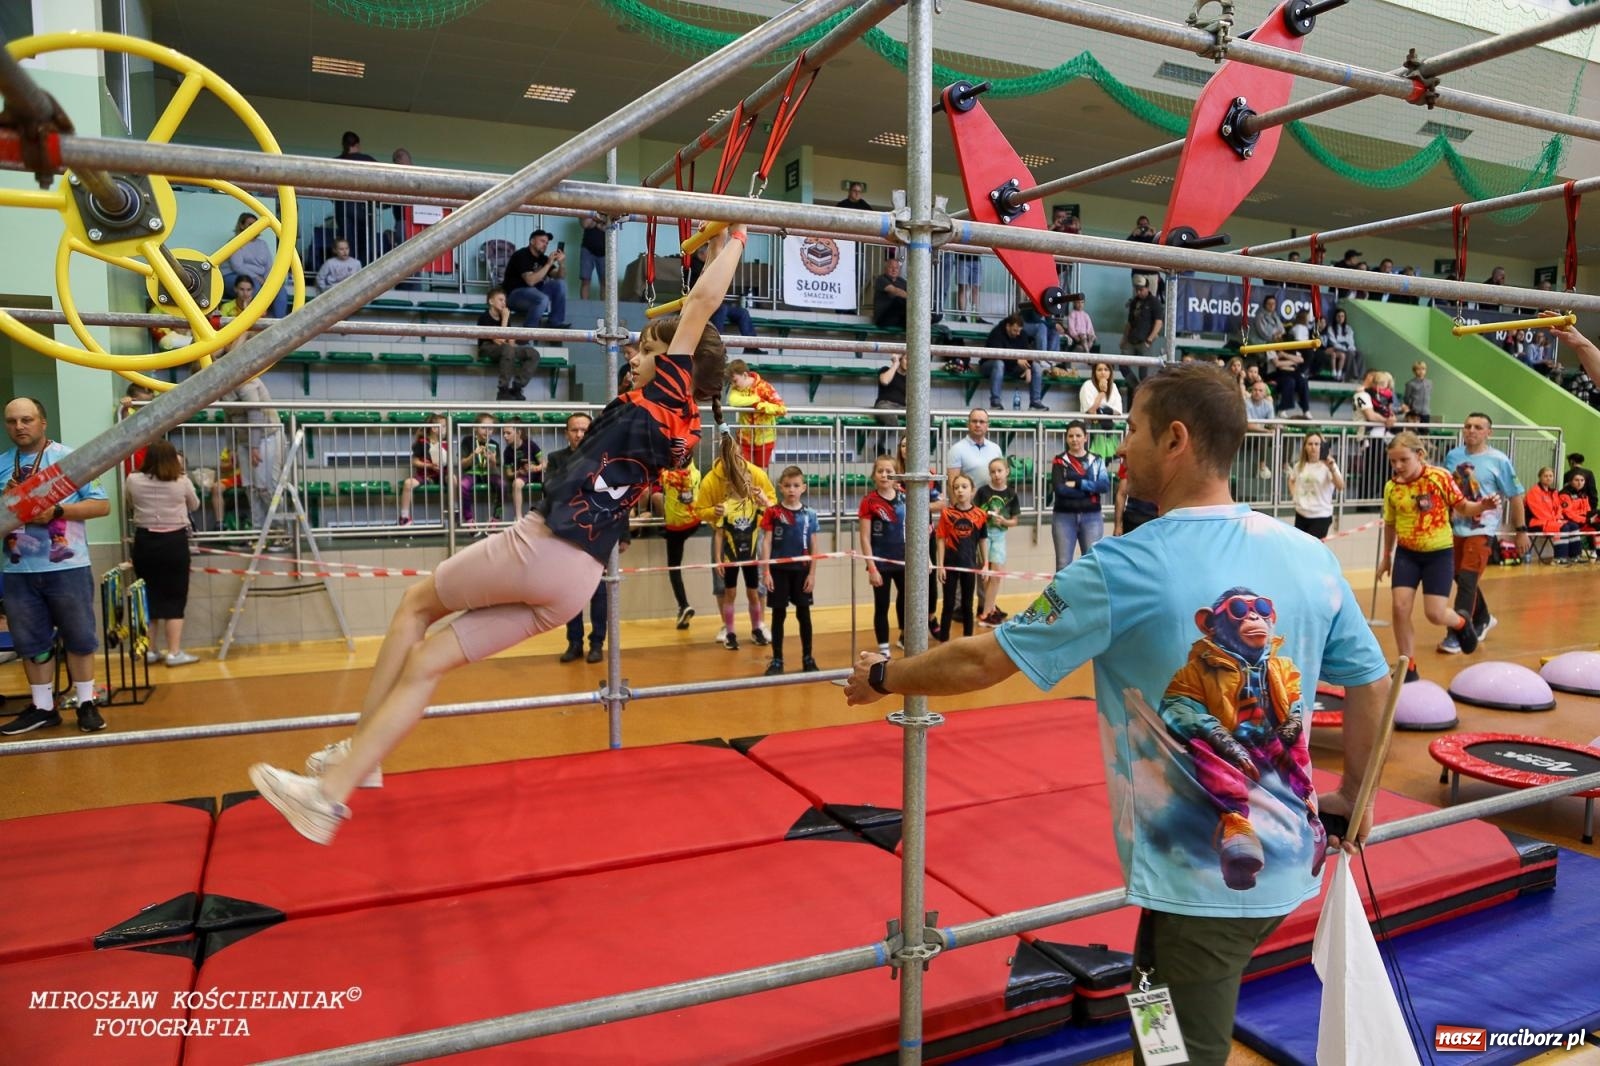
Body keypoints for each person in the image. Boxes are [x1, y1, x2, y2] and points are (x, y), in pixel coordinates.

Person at [844, 363, 1393, 1066]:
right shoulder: (1308, 556)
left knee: (1178, 1051)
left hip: (1214, 885)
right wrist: (1358, 795)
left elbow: (985, 660)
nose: (1120, 446)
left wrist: (885, 675)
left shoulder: (1125, 567)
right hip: (1270, 867)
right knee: (1153, 1004)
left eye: (1130, 428)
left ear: (1175, 439)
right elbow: (1372, 680)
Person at [248, 223, 750, 844]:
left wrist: (734, 243)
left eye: (645, 352)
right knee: (430, 660)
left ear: (676, 366)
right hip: (579, 576)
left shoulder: (667, 393)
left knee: (414, 608)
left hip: (540, 546)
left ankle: (361, 758)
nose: (633, 357)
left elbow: (701, 305)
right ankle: (339, 784)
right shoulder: (687, 429)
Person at [0, 398, 112, 736]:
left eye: (26, 419)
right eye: (12, 421)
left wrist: (57, 512)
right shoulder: (3, 464)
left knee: (79, 637)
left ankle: (85, 703)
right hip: (17, 570)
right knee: (31, 643)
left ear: (42, 422)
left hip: (67, 567)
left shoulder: (68, 459)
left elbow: (102, 505)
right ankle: (43, 708)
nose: (19, 426)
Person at [1376, 432, 1495, 680]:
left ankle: (1462, 622)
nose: (1397, 466)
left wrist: (1482, 506)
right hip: (1407, 554)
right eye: (1393, 461)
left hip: (1438, 554)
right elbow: (1390, 523)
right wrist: (1387, 556)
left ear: (1419, 455)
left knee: (1435, 614)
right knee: (1399, 607)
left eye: (1403, 460)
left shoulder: (1439, 477)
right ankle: (1407, 665)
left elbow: (1463, 507)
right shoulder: (1392, 487)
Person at [1438, 414, 1528, 654]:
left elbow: (1516, 495)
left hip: (1482, 530)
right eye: (1467, 426)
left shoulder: (1499, 460)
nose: (1471, 430)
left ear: (1489, 432)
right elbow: (1447, 490)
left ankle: (1457, 635)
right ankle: (1484, 618)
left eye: (1478, 427)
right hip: (1455, 528)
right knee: (1460, 577)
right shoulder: (1453, 456)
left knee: (1467, 581)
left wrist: (1521, 531)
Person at [125, 440, 201, 666]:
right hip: (174, 543)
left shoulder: (132, 480)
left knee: (147, 597)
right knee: (175, 597)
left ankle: (149, 650)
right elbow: (194, 505)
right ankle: (174, 652)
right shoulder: (182, 481)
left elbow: (130, 503)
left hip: (145, 542)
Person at [695, 449, 775, 651]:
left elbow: (773, 507)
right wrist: (714, 511)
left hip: (752, 543)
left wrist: (764, 500)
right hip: (727, 548)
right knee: (724, 587)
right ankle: (727, 628)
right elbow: (700, 512)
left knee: (756, 588)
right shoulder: (710, 481)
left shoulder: (757, 474)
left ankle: (759, 625)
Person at [759, 466, 820, 675]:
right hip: (778, 571)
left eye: (796, 485)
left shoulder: (810, 514)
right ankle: (777, 660)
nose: (791, 490)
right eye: (787, 486)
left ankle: (808, 658)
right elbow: (766, 543)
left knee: (804, 615)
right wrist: (766, 571)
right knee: (778, 615)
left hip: (801, 571)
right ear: (780, 488)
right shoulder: (772, 512)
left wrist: (812, 573)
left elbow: (814, 545)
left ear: (803, 487)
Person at [860, 455, 907, 658]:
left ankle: (906, 636)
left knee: (906, 601)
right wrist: (871, 567)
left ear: (896, 475)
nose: (885, 475)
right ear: (874, 475)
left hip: (904, 560)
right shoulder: (869, 501)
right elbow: (864, 537)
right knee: (882, 604)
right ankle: (884, 648)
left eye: (889, 471)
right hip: (881, 562)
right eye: (880, 471)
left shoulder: (906, 497)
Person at [1050, 420, 1109, 571]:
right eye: (1070, 436)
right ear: (1066, 438)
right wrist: (1090, 489)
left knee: (1091, 564)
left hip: (1092, 518)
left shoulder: (1097, 460)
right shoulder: (1059, 460)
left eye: (1078, 435)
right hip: (1064, 517)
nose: (1074, 439)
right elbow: (1060, 490)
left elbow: (1104, 486)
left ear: (1086, 437)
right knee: (1063, 564)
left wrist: (1078, 484)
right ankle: (1063, 596)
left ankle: (1088, 595)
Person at [935, 474, 987, 641]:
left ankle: (968, 642)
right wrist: (940, 565)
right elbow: (941, 539)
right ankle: (944, 641)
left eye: (964, 487)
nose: (960, 490)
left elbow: (982, 540)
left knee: (967, 605)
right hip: (950, 565)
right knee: (948, 605)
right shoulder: (947, 514)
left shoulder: (980, 514)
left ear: (972, 491)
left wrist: (985, 564)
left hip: (970, 565)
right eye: (956, 487)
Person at [975, 456, 1019, 627]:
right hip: (984, 536)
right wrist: (985, 516)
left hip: (999, 536)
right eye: (992, 472)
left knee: (997, 574)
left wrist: (1004, 521)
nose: (996, 475)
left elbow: (1014, 520)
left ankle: (987, 612)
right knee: (986, 576)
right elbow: (975, 514)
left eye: (999, 471)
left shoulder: (1011, 494)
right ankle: (988, 611)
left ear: (1007, 472)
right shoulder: (983, 492)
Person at [660, 457, 702, 629]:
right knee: (668, 536)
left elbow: (656, 470)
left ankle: (683, 605)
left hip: (678, 527)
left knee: (674, 567)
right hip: (695, 522)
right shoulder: (696, 473)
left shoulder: (669, 477)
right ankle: (682, 611)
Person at [502, 229, 569, 330]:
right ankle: (527, 334)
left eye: (547, 243)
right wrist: (548, 264)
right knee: (542, 298)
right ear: (532, 241)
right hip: (515, 295)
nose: (545, 245)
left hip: (536, 294)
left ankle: (555, 323)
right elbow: (530, 281)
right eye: (542, 241)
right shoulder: (521, 255)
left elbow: (559, 276)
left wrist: (561, 264)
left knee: (560, 284)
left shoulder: (544, 259)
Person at [725, 360, 787, 469]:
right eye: (731, 382)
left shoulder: (765, 387)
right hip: (744, 439)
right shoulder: (736, 389)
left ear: (744, 375)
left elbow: (781, 409)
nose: (733, 385)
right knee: (743, 471)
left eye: (735, 381)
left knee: (761, 473)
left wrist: (762, 406)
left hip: (765, 438)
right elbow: (733, 401)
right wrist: (756, 401)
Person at [478, 288, 537, 402]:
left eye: (504, 301)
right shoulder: (484, 318)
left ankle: (517, 387)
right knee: (507, 349)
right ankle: (503, 389)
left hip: (505, 349)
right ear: (491, 302)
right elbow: (499, 340)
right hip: (487, 348)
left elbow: (510, 341)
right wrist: (505, 319)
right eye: (500, 300)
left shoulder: (505, 318)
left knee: (532, 353)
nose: (503, 303)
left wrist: (514, 341)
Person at [1286, 432, 1344, 540]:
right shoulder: (1299, 465)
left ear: (1321, 446)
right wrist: (1294, 496)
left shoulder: (1328, 465)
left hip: (1320, 515)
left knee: (1311, 550)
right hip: (1301, 514)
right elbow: (1291, 480)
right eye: (1310, 444)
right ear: (1305, 447)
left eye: (1317, 444)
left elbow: (1340, 486)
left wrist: (1332, 468)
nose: (1313, 447)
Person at [982, 315, 1045, 411]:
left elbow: (1027, 352)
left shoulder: (1022, 334)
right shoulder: (996, 333)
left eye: (1019, 330)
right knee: (999, 364)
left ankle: (1035, 402)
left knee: (1036, 367)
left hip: (1012, 367)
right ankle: (995, 403)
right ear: (1008, 326)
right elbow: (997, 354)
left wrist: (1028, 367)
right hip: (990, 365)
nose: (1018, 333)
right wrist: (1016, 360)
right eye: (1015, 330)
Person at [398, 413, 449, 527]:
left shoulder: (446, 443)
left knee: (454, 480)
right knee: (408, 483)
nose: (444, 429)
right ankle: (404, 517)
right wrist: (429, 466)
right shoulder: (422, 443)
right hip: (426, 475)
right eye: (442, 426)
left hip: (442, 474)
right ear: (433, 428)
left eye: (445, 426)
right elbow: (414, 461)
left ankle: (455, 509)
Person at [457, 413, 503, 527]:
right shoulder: (467, 441)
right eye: (483, 427)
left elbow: (494, 467)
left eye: (490, 428)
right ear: (475, 428)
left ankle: (495, 520)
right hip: (472, 473)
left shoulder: (494, 444)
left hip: (489, 473)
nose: (487, 431)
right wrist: (473, 455)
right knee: (462, 485)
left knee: (502, 485)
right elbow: (461, 464)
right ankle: (469, 520)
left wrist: (492, 460)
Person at [1121, 275, 1163, 391]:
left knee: (1144, 374)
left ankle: (1142, 390)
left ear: (1147, 288)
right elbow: (1129, 322)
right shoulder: (1134, 302)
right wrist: (1124, 339)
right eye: (1137, 289)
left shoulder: (1155, 302)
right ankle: (1137, 388)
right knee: (1122, 365)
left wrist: (1150, 339)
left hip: (1144, 341)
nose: (1139, 292)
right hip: (1131, 339)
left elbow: (1158, 323)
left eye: (1141, 289)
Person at [945, 408, 1003, 491]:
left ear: (987, 426)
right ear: (968, 424)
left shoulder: (996, 449)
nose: (978, 425)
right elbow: (952, 485)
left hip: (993, 502)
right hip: (969, 503)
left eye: (982, 422)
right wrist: (956, 504)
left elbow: (1002, 479)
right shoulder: (956, 450)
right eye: (974, 421)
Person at [1525, 467, 1573, 563]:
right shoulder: (1534, 492)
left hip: (1550, 521)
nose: (1548, 478)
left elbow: (1558, 508)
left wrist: (1558, 518)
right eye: (1545, 476)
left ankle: (1575, 555)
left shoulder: (1553, 492)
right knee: (1563, 527)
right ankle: (1559, 557)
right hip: (1535, 522)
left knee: (1573, 526)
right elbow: (1539, 512)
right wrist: (1555, 521)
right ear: (1540, 477)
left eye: (1550, 476)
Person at [502, 424, 544, 518]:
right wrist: (518, 472)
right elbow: (509, 474)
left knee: (549, 481)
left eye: (508, 433)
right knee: (516, 483)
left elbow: (544, 463)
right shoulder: (507, 451)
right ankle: (518, 517)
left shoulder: (530, 444)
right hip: (522, 475)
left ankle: (549, 515)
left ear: (518, 433)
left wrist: (535, 468)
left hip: (537, 474)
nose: (505, 436)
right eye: (503, 433)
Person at [1113, 456, 1157, 536]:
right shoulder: (1130, 458)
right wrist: (1118, 526)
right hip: (1134, 519)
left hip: (1158, 520)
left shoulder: (1165, 459)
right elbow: (1122, 494)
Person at [872, 349, 907, 426]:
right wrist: (895, 364)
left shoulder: (910, 378)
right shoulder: (886, 370)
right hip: (885, 405)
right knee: (891, 420)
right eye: (906, 359)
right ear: (900, 359)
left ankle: (905, 438)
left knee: (927, 417)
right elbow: (884, 381)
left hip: (902, 407)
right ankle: (883, 438)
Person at [873, 255, 908, 330]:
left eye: (896, 268)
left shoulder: (903, 282)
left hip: (898, 318)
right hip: (883, 319)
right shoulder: (881, 279)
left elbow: (912, 293)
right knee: (899, 300)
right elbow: (895, 291)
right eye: (891, 267)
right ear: (885, 269)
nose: (894, 270)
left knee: (936, 317)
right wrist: (914, 299)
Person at [578, 211, 608, 300]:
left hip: (605, 251)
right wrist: (600, 221)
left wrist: (595, 221)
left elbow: (608, 227)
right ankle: (583, 306)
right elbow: (586, 224)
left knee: (605, 282)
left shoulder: (609, 208)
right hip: (587, 249)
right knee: (585, 280)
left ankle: (605, 310)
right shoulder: (586, 207)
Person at [1400, 360, 1432, 424]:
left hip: (1426, 412)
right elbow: (1406, 398)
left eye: (1423, 369)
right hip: (1414, 413)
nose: (1421, 371)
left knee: (1424, 432)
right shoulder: (1410, 384)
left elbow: (1428, 395)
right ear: (1414, 371)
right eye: (1418, 369)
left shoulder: (1429, 383)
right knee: (1414, 432)